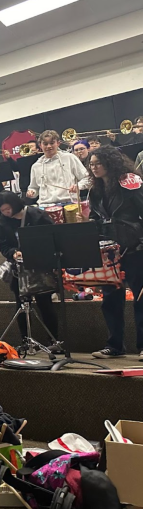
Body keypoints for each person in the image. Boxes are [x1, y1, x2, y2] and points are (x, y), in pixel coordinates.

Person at [86, 146, 143, 360]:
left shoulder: (129, 181)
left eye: (97, 163)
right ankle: (114, 345)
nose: (94, 168)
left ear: (110, 162)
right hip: (108, 250)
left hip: (135, 247)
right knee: (110, 299)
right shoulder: (95, 190)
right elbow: (94, 216)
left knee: (140, 297)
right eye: (91, 165)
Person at [0, 191, 60, 345]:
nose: (6, 213)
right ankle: (26, 341)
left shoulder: (36, 215)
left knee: (45, 303)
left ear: (15, 204)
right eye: (2, 210)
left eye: (8, 209)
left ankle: (54, 340)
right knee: (21, 305)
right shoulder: (1, 222)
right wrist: (13, 253)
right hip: (19, 269)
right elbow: (3, 245)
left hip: (40, 265)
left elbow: (52, 235)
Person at [27, 130, 89, 207]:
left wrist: (78, 186)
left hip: (69, 203)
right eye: (45, 144)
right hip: (45, 205)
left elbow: (87, 178)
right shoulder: (36, 166)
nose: (49, 146)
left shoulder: (70, 158)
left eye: (52, 143)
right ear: (40, 145)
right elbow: (34, 188)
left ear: (58, 143)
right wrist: (31, 192)